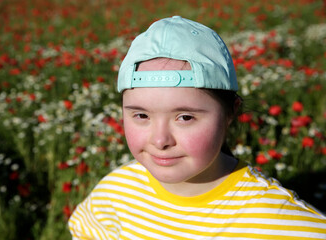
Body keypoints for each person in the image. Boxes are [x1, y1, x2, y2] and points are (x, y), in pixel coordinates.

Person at [68, 16, 326, 239]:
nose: (160, 140)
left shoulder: (279, 221)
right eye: (141, 115)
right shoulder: (117, 192)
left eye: (185, 117)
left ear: (230, 113)